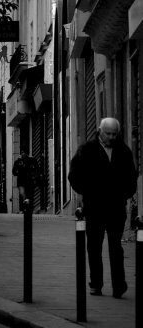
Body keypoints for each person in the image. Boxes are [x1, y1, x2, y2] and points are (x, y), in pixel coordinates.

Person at [68, 117, 137, 299]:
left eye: (115, 134)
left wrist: (125, 193)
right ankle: (96, 284)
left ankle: (118, 286)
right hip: (94, 207)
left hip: (116, 207)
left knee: (116, 247)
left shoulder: (123, 151)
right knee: (94, 246)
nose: (112, 137)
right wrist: (88, 192)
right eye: (108, 133)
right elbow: (73, 175)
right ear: (100, 131)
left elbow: (132, 177)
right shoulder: (87, 150)